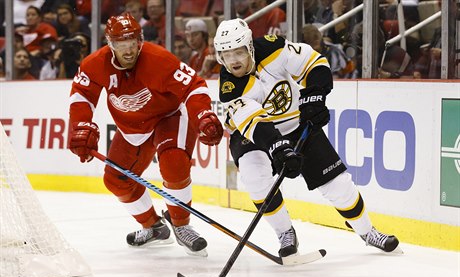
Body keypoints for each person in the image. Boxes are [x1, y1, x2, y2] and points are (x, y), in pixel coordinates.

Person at [213, 18, 400, 258]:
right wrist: (279, 148)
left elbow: (314, 63)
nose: (233, 61)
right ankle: (285, 233)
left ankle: (367, 231)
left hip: (295, 123)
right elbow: (255, 123)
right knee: (254, 178)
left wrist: (315, 95)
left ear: (249, 46)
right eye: (226, 55)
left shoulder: (274, 48)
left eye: (238, 52)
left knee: (339, 185)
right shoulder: (229, 87)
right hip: (253, 134)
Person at [67, 13, 223, 257]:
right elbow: (81, 94)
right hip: (132, 127)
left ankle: (181, 225)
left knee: (174, 164)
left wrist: (202, 114)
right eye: (121, 45)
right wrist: (79, 125)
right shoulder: (95, 63)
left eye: (132, 44)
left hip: (168, 116)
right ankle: (154, 227)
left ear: (139, 41)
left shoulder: (159, 59)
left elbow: (194, 86)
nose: (128, 51)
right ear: (110, 44)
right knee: (116, 180)